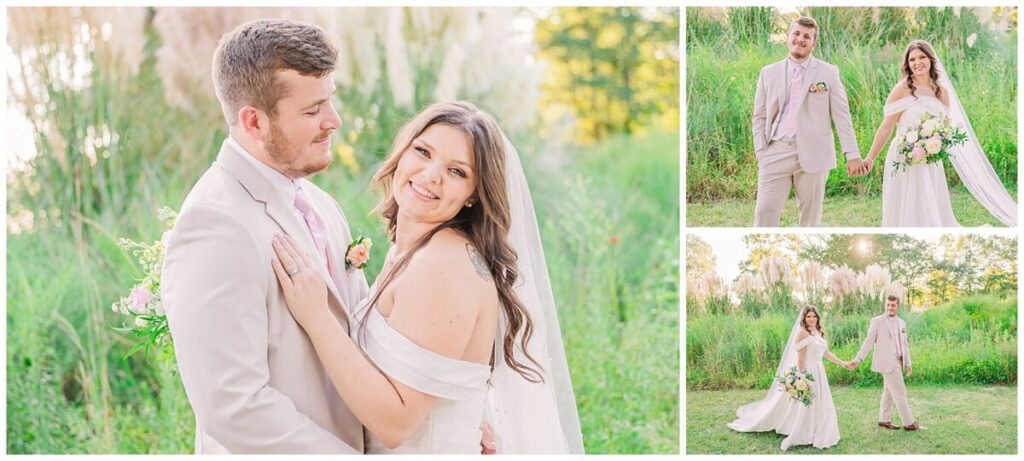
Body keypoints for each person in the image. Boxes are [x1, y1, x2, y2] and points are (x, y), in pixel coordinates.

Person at [271, 101, 584, 453]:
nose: (431, 174)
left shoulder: (443, 266)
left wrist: (316, 317)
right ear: (403, 152)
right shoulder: (415, 250)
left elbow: (395, 424)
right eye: (423, 151)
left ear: (474, 194)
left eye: (457, 171)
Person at [162, 19, 367, 453]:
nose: (334, 120)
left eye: (330, 101)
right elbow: (234, 407)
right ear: (254, 122)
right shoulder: (215, 225)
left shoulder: (320, 204)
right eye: (312, 111)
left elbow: (362, 334)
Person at [862, 39, 1017, 227]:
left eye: (922, 57)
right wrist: (870, 158)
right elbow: (886, 127)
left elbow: (945, 127)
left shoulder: (941, 92)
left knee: (928, 202)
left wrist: (936, 144)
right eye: (912, 59)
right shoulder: (902, 89)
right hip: (903, 156)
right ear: (907, 64)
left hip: (931, 158)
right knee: (904, 203)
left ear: (931, 59)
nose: (917, 63)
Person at [751, 16, 865, 227]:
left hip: (815, 153)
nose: (800, 39)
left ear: (814, 43)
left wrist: (852, 154)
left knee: (810, 220)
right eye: (796, 34)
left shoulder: (828, 73)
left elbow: (842, 116)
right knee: (764, 214)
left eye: (807, 36)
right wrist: (761, 151)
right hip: (775, 151)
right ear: (787, 37)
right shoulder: (768, 72)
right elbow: (759, 116)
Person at [728, 305, 848, 450]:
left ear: (817, 318)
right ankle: (806, 430)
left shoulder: (818, 332)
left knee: (822, 401)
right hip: (809, 370)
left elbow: (826, 353)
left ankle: (819, 428)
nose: (812, 319)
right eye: (808, 316)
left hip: (819, 370)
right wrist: (803, 378)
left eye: (814, 316)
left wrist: (843, 363)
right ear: (804, 318)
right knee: (808, 402)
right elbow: (801, 358)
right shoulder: (802, 333)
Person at [849, 295, 921, 431]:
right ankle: (909, 423)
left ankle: (883, 419)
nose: (890, 307)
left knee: (888, 391)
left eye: (893, 305)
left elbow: (905, 345)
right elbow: (868, 341)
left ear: (898, 307)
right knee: (900, 392)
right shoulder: (877, 321)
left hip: (899, 361)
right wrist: (858, 359)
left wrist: (908, 363)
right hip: (887, 362)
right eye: (888, 305)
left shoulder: (902, 323)